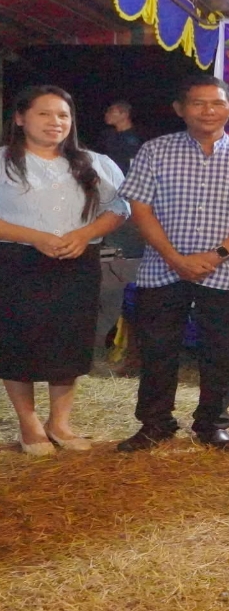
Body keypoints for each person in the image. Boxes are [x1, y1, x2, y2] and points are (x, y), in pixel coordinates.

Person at [116, 75, 229, 452]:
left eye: (217, 103)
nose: (208, 110)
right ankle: (155, 423)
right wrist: (175, 258)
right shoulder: (155, 151)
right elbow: (140, 210)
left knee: (221, 352)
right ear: (180, 109)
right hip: (162, 270)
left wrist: (215, 255)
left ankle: (212, 424)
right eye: (198, 103)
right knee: (157, 350)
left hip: (227, 272)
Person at [0, 86, 128, 454]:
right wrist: (35, 237)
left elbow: (121, 208)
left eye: (63, 115)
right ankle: (29, 425)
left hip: (77, 261)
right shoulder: (4, 161)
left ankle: (60, 422)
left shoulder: (94, 162)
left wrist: (86, 234)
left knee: (70, 341)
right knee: (18, 341)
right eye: (44, 114)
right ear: (20, 118)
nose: (55, 122)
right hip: (17, 262)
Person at [98, 101, 142, 174]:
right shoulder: (107, 135)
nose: (107, 114)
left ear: (124, 114)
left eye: (111, 111)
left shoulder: (136, 137)